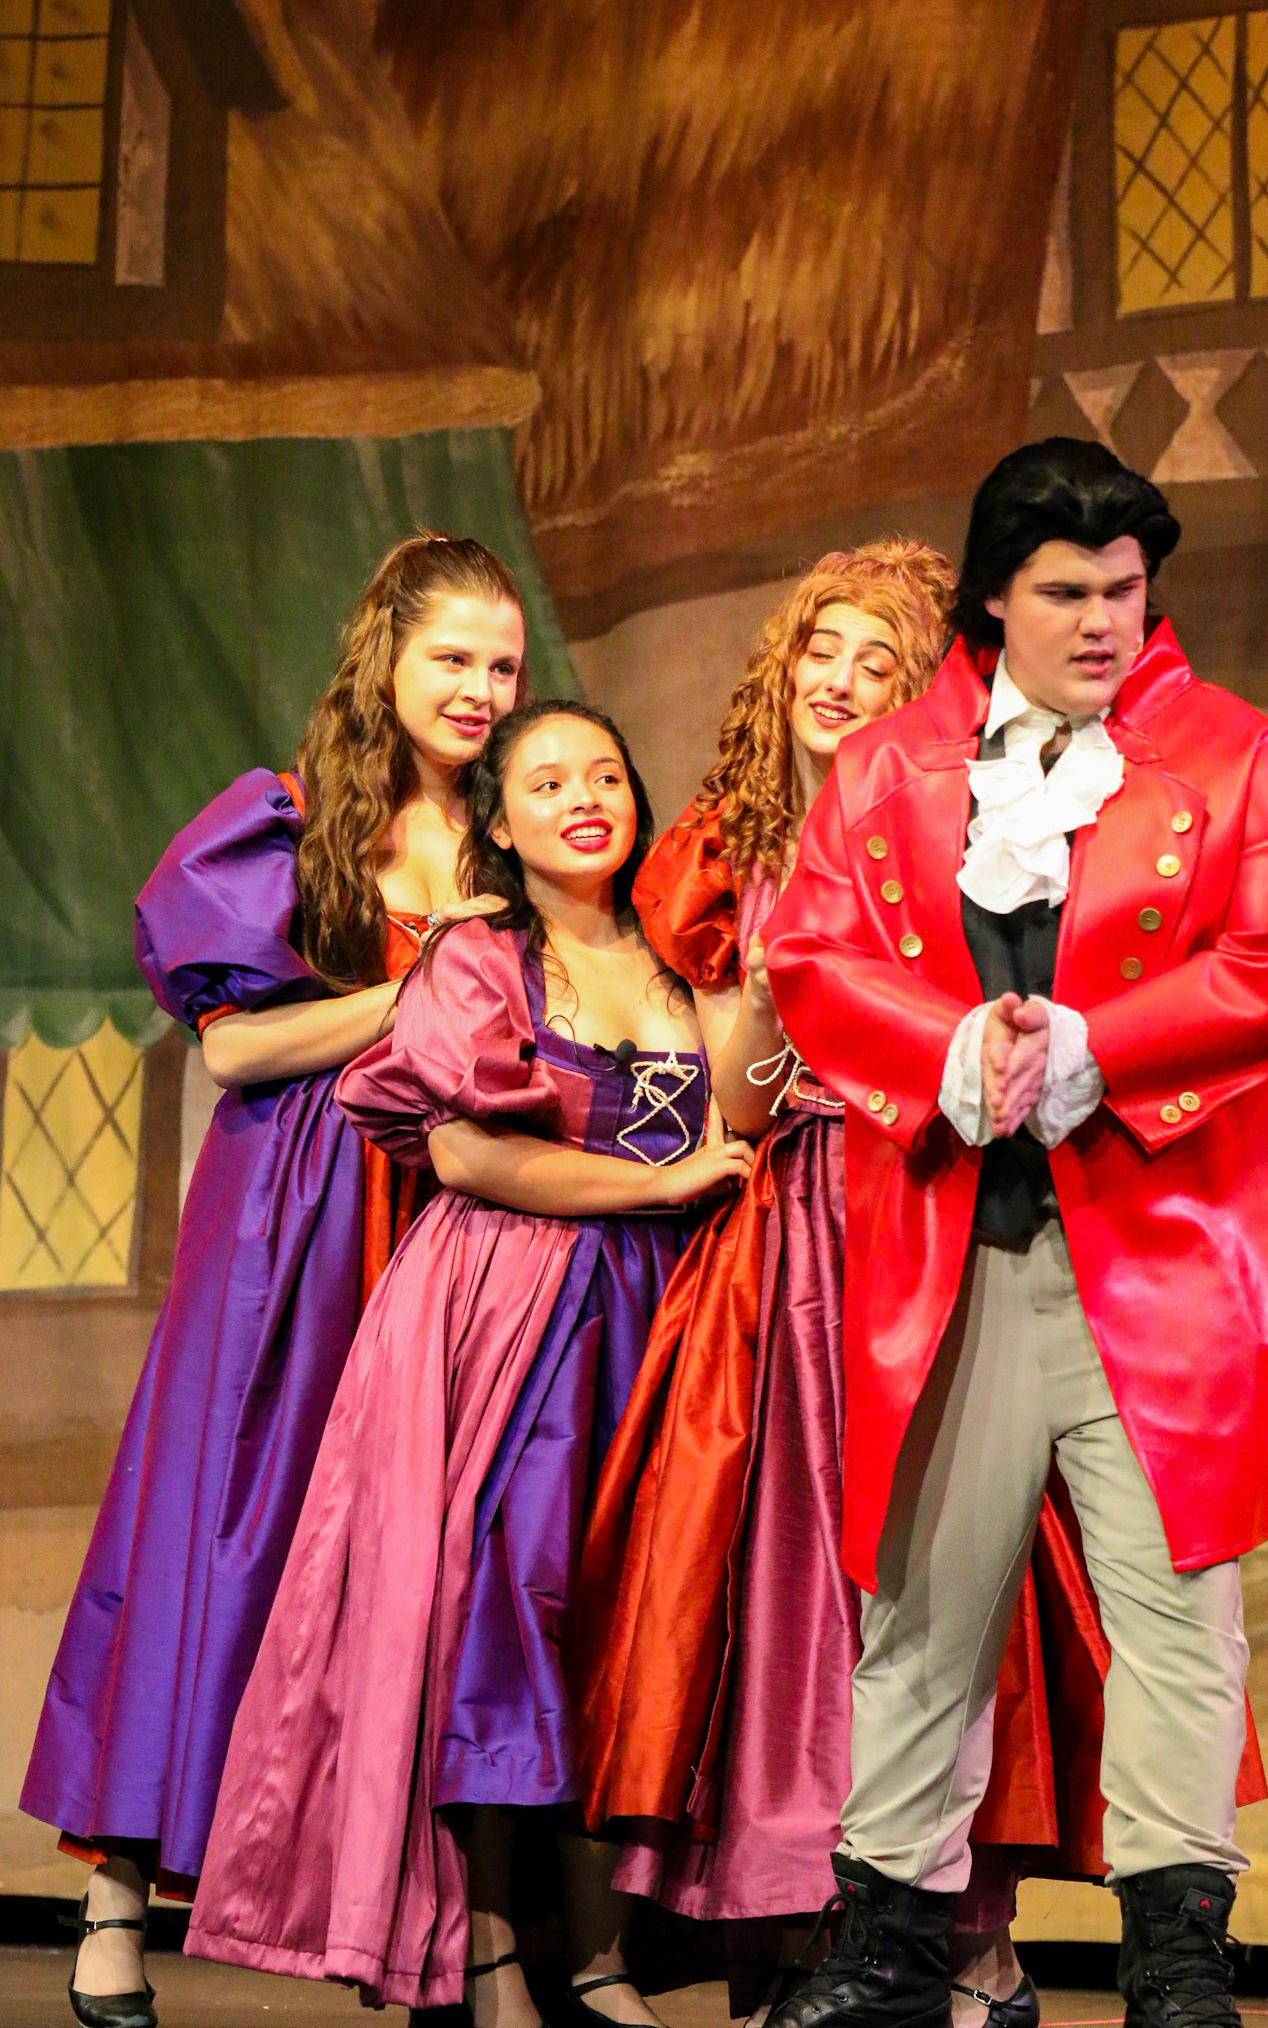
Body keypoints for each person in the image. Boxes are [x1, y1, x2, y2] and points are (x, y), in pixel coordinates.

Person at [759, 439, 1268, 2028]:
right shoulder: (887, 770)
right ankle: (886, 1946)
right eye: (1067, 592)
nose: (1103, 623)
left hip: (1161, 1254)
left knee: (1176, 1616)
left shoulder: (1232, 758)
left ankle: (1175, 1957)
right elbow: (812, 954)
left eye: (1123, 591)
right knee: (922, 1606)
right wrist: (947, 1048)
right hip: (957, 1251)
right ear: (993, 602)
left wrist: (1097, 1045)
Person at [572, 542, 1123, 2026]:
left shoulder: (972, 837)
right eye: (820, 649)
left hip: (924, 1216)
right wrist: (770, 977)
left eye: (878, 663)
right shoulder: (726, 856)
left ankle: (965, 1940)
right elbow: (738, 1106)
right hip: (783, 1250)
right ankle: (793, 1940)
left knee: (944, 1567)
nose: (838, 679)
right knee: (783, 1582)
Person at [21, 532, 527, 2028]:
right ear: (386, 655)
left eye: (503, 666)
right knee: (217, 1540)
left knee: (430, 1567)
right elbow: (239, 1047)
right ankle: (117, 1908)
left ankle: (445, 1936)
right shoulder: (288, 823)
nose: (480, 690)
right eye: (452, 658)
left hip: (454, 1222)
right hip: (293, 1220)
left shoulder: (513, 840)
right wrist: (417, 986)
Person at [185, 702, 755, 2026]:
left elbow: (742, 1112)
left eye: (604, 775)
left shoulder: (680, 961)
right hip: (510, 1310)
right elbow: (464, 1153)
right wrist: (655, 1184)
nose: (583, 798)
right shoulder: (482, 958)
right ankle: (488, 1953)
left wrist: (759, 990)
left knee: (627, 1623)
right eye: (545, 782)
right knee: (501, 1616)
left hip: (661, 1320)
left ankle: (601, 1958)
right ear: (497, 820)